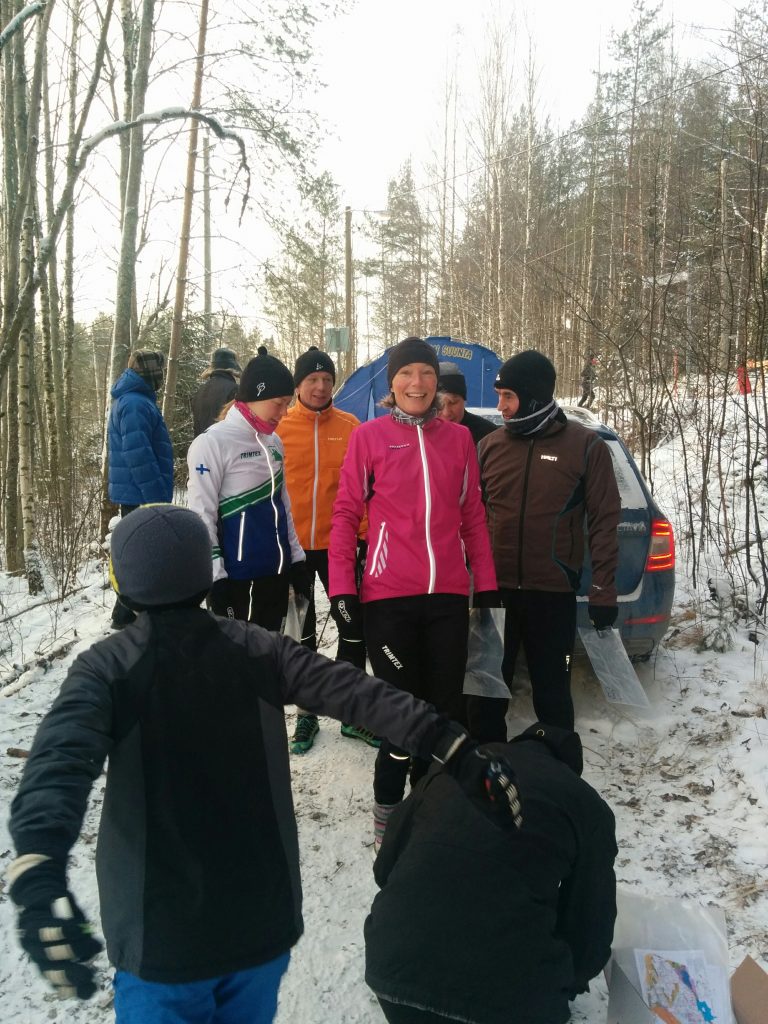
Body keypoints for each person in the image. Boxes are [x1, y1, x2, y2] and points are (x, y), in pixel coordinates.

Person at [6, 504, 521, 1022]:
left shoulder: (107, 668)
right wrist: (451, 744)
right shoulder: (260, 648)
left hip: (160, 937)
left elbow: (59, 759)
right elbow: (359, 693)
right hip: (259, 921)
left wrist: (38, 862)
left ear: (124, 583)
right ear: (204, 575)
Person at [329, 336, 499, 848]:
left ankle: (430, 810)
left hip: (447, 596)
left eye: (426, 374)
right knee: (403, 713)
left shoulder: (459, 441)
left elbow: (472, 517)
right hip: (388, 599)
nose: (417, 383)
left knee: (445, 712)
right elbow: (344, 516)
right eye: (407, 374)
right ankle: (387, 812)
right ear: (392, 382)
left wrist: (486, 589)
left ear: (436, 383)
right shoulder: (369, 438)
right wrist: (342, 590)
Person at [365, 723, 617, 1024]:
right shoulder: (584, 803)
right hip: (507, 1005)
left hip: (392, 977)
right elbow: (590, 920)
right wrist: (567, 983)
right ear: (568, 769)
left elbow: (385, 867)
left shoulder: (447, 772)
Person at [473, 350, 620, 739]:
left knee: (553, 695)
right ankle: (489, 775)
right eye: (499, 395)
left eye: (508, 396)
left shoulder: (585, 446)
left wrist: (603, 590)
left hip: (551, 595)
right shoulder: (490, 446)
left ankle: (560, 774)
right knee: (486, 693)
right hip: (494, 593)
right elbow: (469, 519)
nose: (500, 406)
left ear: (534, 396)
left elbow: (605, 521)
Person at [276, 345, 376, 754]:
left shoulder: (352, 427)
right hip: (296, 549)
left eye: (327, 380)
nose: (320, 387)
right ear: (299, 385)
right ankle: (306, 713)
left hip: (340, 546)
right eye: (312, 380)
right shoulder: (279, 429)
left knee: (354, 628)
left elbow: (367, 488)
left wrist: (364, 536)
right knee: (301, 632)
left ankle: (352, 713)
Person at [187, 346, 312, 630]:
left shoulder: (273, 442)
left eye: (287, 404)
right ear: (256, 396)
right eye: (278, 403)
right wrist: (215, 577)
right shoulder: (212, 443)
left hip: (276, 573)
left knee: (273, 659)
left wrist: (297, 560)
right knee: (239, 666)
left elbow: (283, 507)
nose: (284, 413)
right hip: (237, 578)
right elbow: (201, 514)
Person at [107, 349, 174, 630]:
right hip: (140, 495)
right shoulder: (135, 403)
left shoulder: (135, 399)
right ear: (151, 375)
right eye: (159, 372)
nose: (161, 378)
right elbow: (139, 456)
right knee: (141, 557)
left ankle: (128, 613)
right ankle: (128, 616)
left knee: (138, 555)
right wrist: (156, 497)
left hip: (136, 493)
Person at [437, 361, 496, 447]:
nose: (446, 413)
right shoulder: (421, 434)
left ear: (464, 401)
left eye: (453, 402)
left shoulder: (488, 436)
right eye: (439, 404)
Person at [190, 347, 242, 436]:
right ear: (233, 368)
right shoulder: (235, 390)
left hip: (201, 446)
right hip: (224, 446)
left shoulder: (200, 391)